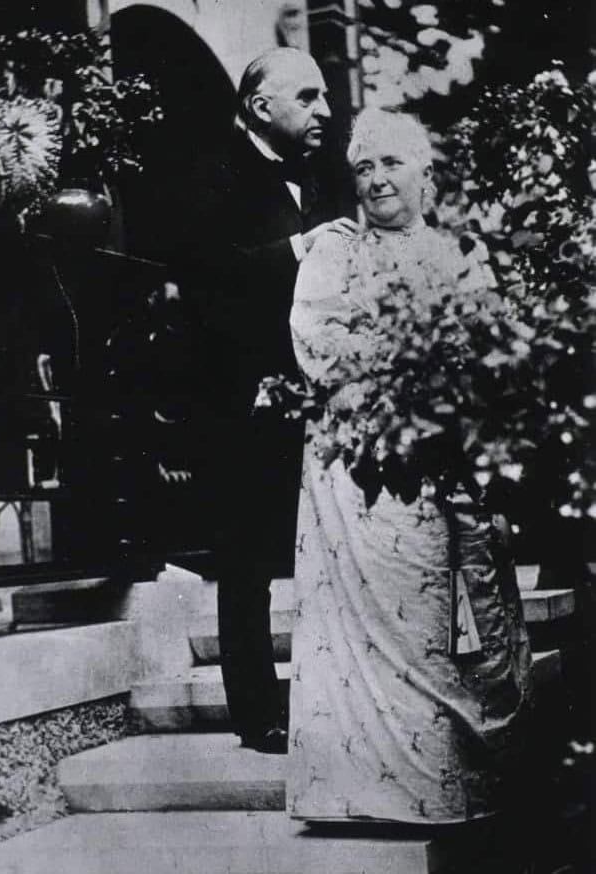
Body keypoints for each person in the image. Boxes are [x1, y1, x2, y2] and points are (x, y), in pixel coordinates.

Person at [286, 109, 534, 822]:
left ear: (424, 174)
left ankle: (466, 791)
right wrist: (408, 369)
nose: (375, 179)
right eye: (362, 167)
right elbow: (316, 344)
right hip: (363, 467)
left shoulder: (461, 255)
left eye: (390, 163)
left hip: (450, 460)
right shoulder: (332, 251)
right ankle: (375, 795)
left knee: (471, 619)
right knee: (389, 618)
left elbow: (494, 355)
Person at [186, 48, 357, 754]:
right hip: (242, 399)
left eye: (324, 98)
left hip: (320, 398)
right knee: (248, 560)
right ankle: (255, 712)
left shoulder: (321, 177)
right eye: (309, 98)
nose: (324, 111)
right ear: (261, 107)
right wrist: (300, 248)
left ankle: (339, 698)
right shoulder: (210, 173)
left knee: (334, 548)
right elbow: (203, 276)